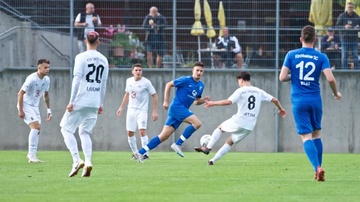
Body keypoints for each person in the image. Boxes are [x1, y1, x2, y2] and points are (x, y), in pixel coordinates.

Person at [279, 25, 342, 182]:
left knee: (305, 137)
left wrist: (294, 78)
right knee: (316, 134)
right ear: (315, 39)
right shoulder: (321, 57)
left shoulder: (291, 55)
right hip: (315, 100)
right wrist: (336, 93)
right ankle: (318, 168)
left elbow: (282, 77)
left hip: (299, 101)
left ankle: (317, 168)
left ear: (301, 39)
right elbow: (330, 78)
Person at [194, 72, 287, 165]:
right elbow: (275, 99)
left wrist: (213, 103)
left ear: (241, 80)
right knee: (230, 142)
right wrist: (281, 109)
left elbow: (228, 102)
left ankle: (208, 147)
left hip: (240, 120)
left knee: (220, 128)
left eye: (238, 81)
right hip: (250, 125)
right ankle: (212, 161)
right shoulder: (259, 91)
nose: (239, 84)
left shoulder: (241, 91)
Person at [134, 61, 210, 162]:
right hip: (177, 107)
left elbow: (196, 102)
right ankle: (178, 144)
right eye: (197, 70)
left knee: (163, 136)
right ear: (193, 70)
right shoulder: (185, 80)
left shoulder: (201, 85)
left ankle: (140, 152)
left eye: (201, 71)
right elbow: (168, 84)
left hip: (181, 110)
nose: (199, 72)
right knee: (197, 123)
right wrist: (166, 101)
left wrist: (204, 100)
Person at [60, 31, 109, 177]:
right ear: (98, 42)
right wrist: (100, 103)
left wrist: (71, 101)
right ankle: (88, 162)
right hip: (94, 102)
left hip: (81, 100)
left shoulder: (81, 57)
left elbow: (77, 79)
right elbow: (104, 84)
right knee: (84, 132)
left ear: (85, 41)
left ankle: (76, 160)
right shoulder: (104, 59)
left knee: (66, 129)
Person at [116, 63, 159, 160]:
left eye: (140, 70)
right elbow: (127, 93)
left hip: (142, 110)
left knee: (142, 131)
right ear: (132, 72)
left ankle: (145, 153)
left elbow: (155, 95)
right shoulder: (129, 81)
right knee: (130, 132)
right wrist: (121, 107)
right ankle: (136, 153)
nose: (138, 72)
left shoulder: (146, 82)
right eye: (136, 70)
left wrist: (155, 111)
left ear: (142, 72)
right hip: (131, 110)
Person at [17, 59, 52, 163]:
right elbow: (20, 94)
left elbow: (45, 95)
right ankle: (31, 155)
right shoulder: (32, 79)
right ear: (39, 68)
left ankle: (33, 156)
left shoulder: (47, 80)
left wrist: (49, 110)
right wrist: (21, 110)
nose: (48, 69)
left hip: (34, 107)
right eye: (45, 67)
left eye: (48, 67)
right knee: (36, 127)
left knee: (37, 130)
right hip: (26, 105)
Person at [335, 1, 360, 69]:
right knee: (344, 56)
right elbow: (337, 26)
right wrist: (344, 27)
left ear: (353, 8)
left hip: (354, 38)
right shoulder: (342, 16)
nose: (350, 8)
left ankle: (356, 70)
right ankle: (344, 70)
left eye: (351, 7)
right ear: (347, 7)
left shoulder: (357, 16)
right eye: (349, 7)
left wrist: (357, 27)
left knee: (355, 55)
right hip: (344, 39)